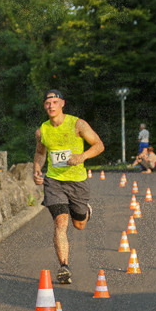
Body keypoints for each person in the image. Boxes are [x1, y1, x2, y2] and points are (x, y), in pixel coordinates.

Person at [33, 89, 105, 285]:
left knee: (79, 224)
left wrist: (82, 156)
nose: (51, 106)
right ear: (44, 106)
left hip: (77, 182)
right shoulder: (42, 130)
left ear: (62, 104)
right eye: (48, 103)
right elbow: (40, 153)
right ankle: (64, 267)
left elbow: (99, 145)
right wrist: (37, 170)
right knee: (60, 222)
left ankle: (84, 211)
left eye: (55, 102)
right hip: (54, 182)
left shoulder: (77, 124)